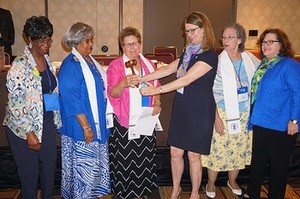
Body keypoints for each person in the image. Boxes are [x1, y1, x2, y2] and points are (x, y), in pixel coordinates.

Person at [139, 12, 218, 199]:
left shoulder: (209, 56)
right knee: (175, 152)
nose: (189, 35)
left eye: (192, 31)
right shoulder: (188, 52)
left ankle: (194, 193)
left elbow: (186, 80)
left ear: (204, 29)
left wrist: (156, 91)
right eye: (186, 32)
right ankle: (176, 188)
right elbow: (167, 69)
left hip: (199, 111)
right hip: (183, 107)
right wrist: (142, 78)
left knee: (193, 156)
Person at [3, 16, 61, 199]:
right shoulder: (19, 66)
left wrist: (56, 119)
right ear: (30, 39)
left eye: (48, 39)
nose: (46, 44)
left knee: (49, 169)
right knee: (29, 174)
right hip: (23, 128)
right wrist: (29, 132)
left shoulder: (47, 60)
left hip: (46, 122)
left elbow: (50, 91)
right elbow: (16, 105)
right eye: (41, 40)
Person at [201, 23, 260, 198]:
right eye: (224, 37)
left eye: (230, 37)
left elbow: (262, 77)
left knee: (239, 150)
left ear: (240, 39)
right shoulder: (217, 61)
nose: (225, 40)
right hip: (223, 113)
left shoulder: (250, 59)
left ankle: (232, 181)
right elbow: (209, 91)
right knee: (218, 151)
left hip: (245, 114)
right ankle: (210, 183)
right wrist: (216, 118)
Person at [244, 28, 300, 199]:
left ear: (281, 44)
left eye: (271, 42)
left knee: (278, 167)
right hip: (261, 122)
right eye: (264, 42)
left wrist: (295, 120)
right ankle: (253, 193)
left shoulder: (289, 65)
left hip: (281, 125)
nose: (266, 45)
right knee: (258, 163)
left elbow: (298, 93)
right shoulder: (264, 64)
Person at [106, 26, 161, 199]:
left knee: (145, 157)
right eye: (127, 45)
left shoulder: (150, 64)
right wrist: (122, 83)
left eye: (135, 44)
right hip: (125, 121)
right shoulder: (115, 66)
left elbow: (157, 87)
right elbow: (111, 93)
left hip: (146, 118)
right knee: (125, 161)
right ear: (122, 47)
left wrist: (158, 103)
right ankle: (125, 193)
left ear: (140, 44)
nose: (132, 48)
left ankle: (143, 190)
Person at [58, 22, 110, 199]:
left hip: (94, 122)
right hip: (81, 126)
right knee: (83, 170)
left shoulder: (89, 60)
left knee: (92, 169)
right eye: (87, 41)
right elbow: (71, 98)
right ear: (77, 41)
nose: (91, 44)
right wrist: (86, 127)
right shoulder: (71, 65)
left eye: (91, 40)